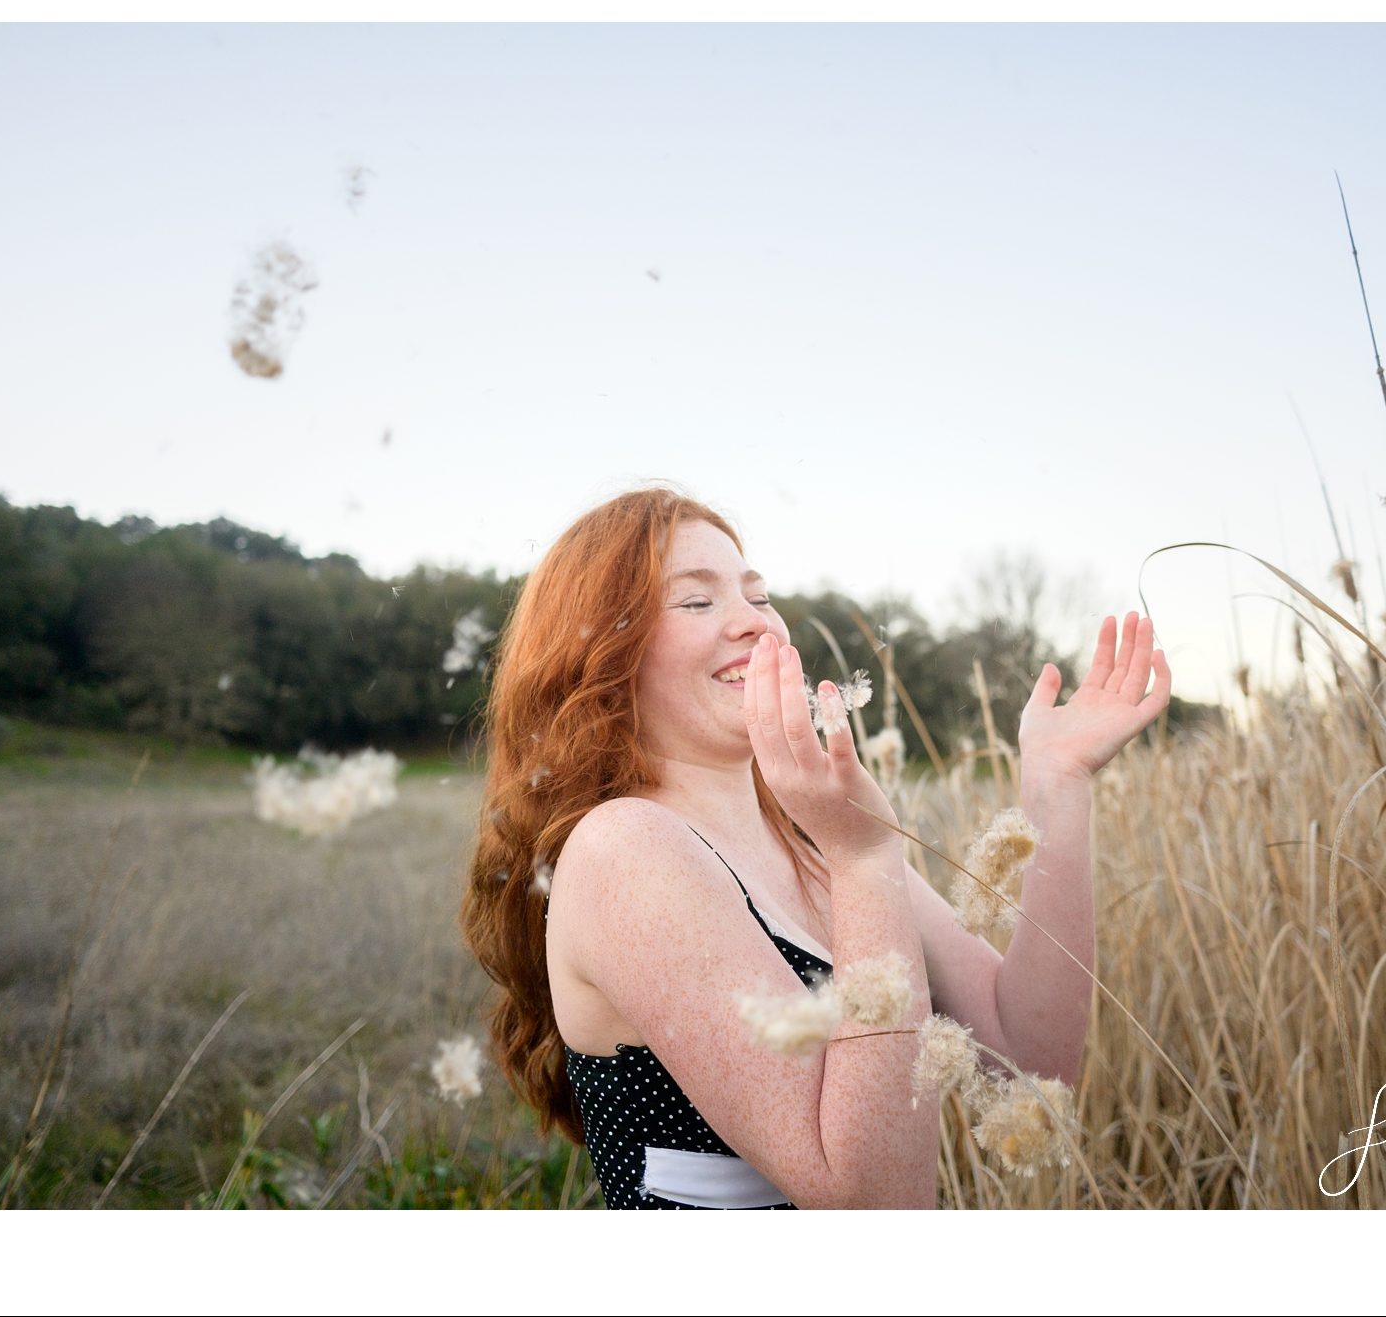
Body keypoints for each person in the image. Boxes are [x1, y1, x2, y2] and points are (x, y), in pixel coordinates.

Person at [460, 488, 1171, 1208]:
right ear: (599, 653)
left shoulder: (813, 840)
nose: (756, 622)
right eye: (697, 601)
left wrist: (1058, 787)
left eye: (758, 595)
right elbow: (875, 1201)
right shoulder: (625, 850)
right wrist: (864, 861)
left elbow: (1029, 1064)